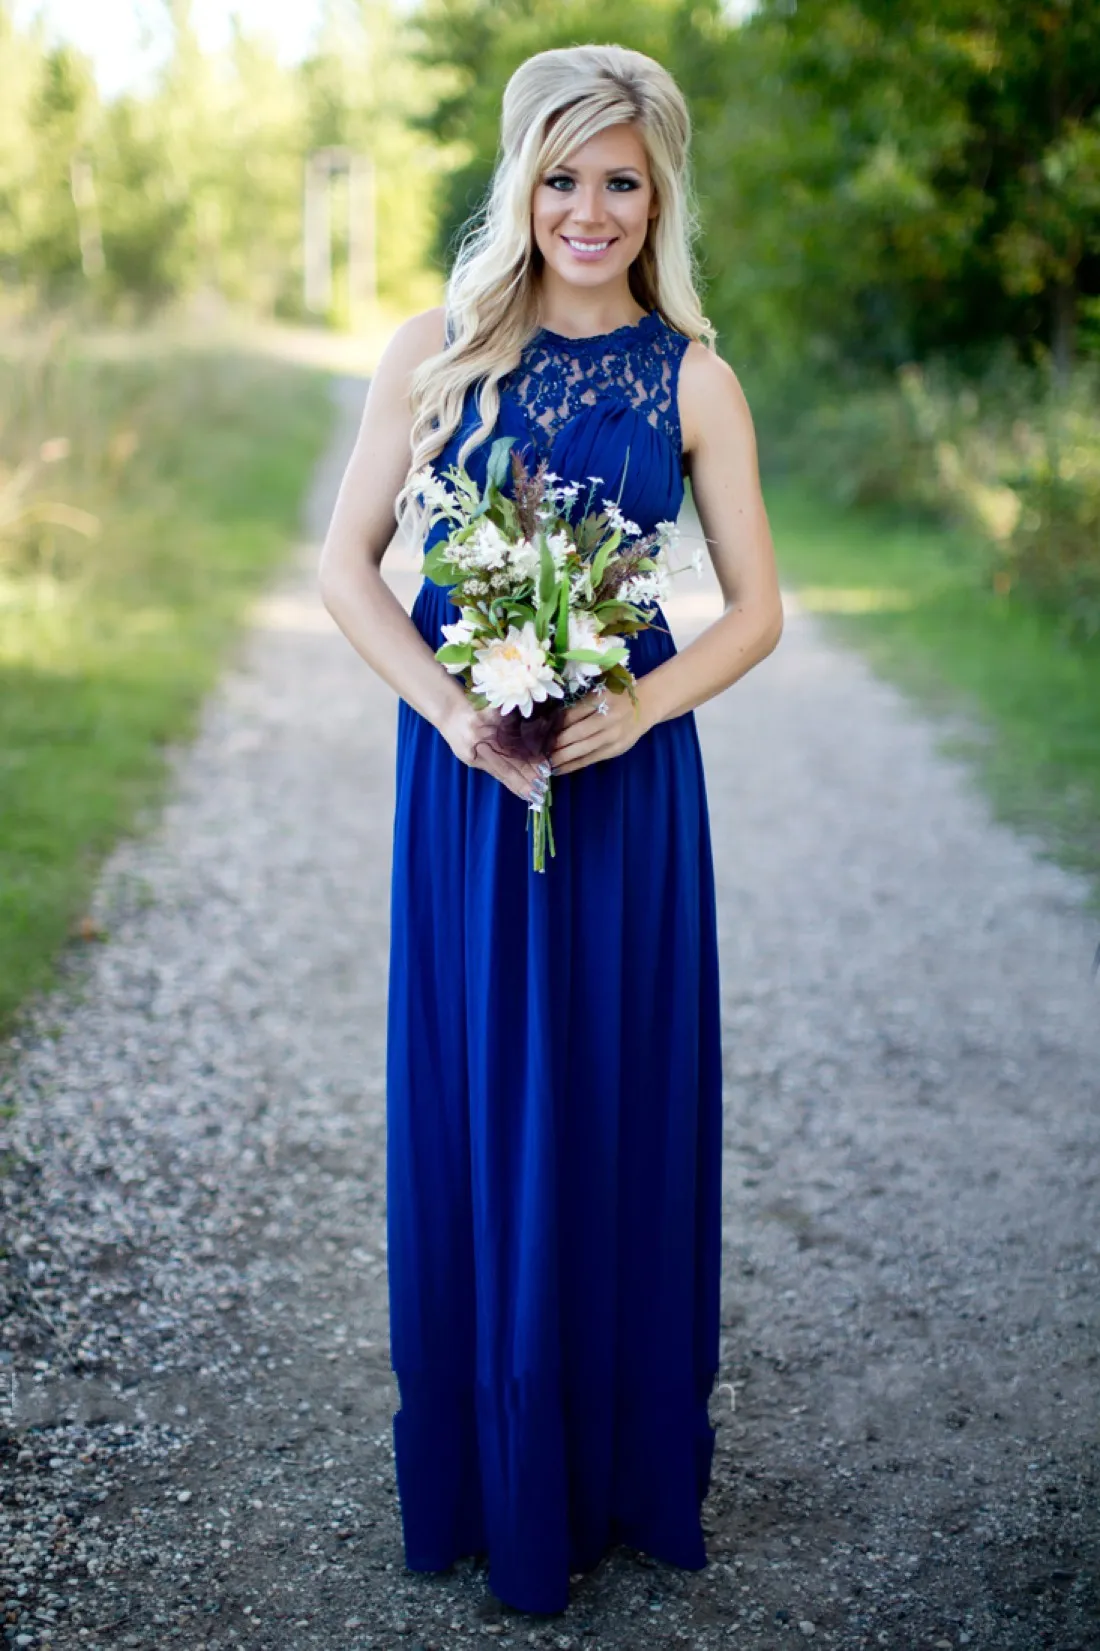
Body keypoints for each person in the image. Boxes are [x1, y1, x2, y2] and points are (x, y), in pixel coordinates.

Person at [318, 41, 783, 1617]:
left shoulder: (693, 377)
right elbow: (346, 574)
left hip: (625, 776)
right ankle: (487, 1465)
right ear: (523, 182)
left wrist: (642, 710)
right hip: (469, 780)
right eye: (566, 175)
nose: (591, 208)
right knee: (481, 1098)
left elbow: (760, 608)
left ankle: (617, 1464)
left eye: (623, 181)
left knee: (610, 1089)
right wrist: (456, 715)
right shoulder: (433, 353)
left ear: (659, 199)